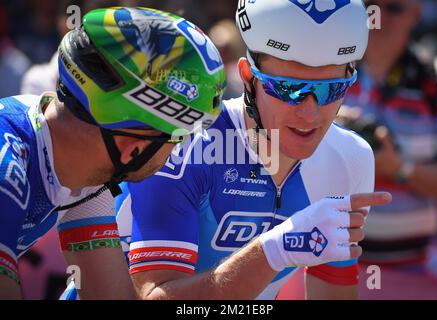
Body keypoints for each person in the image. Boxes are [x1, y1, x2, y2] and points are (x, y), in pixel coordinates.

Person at [92, 0, 392, 300]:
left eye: (332, 88)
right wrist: (275, 250)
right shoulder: (185, 145)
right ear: (248, 77)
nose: (310, 113)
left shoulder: (352, 159)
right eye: (288, 89)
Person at [0, 6, 226, 299]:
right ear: (134, 146)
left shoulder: (82, 171)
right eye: (180, 137)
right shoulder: (7, 167)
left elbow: (108, 294)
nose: (180, 150)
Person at [342, 0, 437, 265]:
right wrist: (326, 127)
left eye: (393, 8)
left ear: (416, 13)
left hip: (415, 266)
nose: (376, 16)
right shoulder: (325, 71)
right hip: (328, 258)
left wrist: (400, 169)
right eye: (369, 5)